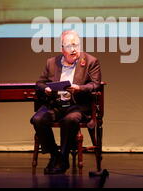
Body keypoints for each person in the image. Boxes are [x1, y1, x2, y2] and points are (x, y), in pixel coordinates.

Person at [31, 30, 102, 174]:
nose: (74, 49)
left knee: (70, 120)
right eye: (69, 46)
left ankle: (63, 159)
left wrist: (79, 88)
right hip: (56, 104)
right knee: (37, 119)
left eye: (76, 45)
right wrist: (46, 89)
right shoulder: (51, 62)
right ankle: (55, 155)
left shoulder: (90, 61)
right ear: (62, 49)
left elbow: (96, 84)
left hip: (77, 106)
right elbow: (39, 83)